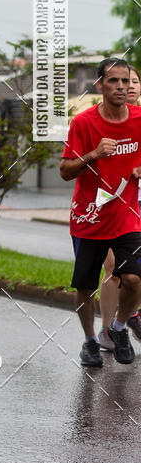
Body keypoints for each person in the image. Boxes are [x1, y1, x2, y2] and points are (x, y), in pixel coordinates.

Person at [60, 57, 141, 367]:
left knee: (133, 278)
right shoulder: (83, 123)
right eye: (113, 81)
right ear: (100, 86)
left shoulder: (139, 118)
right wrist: (94, 154)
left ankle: (119, 328)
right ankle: (90, 340)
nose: (121, 87)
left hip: (126, 215)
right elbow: (66, 171)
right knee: (85, 286)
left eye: (126, 81)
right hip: (90, 216)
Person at [98, 66, 141, 349]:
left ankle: (128, 318)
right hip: (109, 204)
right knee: (114, 268)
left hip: (137, 206)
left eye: (135, 81)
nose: (130, 86)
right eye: (125, 81)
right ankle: (107, 331)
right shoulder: (100, 118)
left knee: (134, 271)